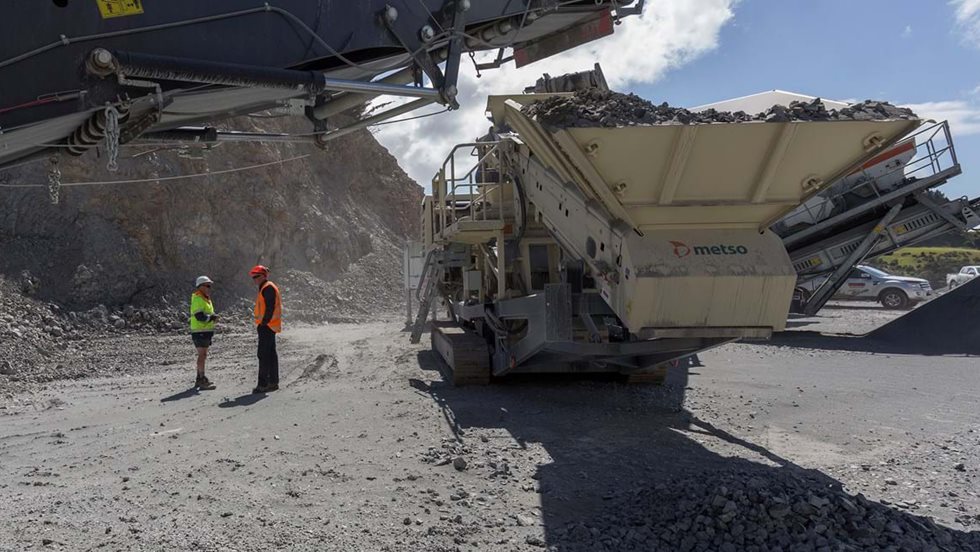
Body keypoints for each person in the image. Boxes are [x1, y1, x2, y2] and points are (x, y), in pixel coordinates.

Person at [250, 265, 281, 393]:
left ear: (263, 276)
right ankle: (273, 382)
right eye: (253, 277)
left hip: (267, 326)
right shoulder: (266, 287)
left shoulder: (267, 288)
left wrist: (263, 323)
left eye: (256, 276)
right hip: (270, 326)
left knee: (263, 355)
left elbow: (270, 307)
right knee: (271, 354)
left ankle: (263, 384)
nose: (254, 279)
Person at [189, 275, 219, 390]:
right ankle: (201, 379)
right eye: (207, 285)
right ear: (200, 286)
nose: (209, 287)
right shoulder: (198, 298)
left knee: (203, 355)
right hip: (199, 331)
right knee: (202, 355)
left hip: (205, 331)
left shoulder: (205, 298)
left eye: (209, 286)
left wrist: (212, 317)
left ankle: (200, 378)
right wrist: (212, 318)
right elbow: (199, 316)